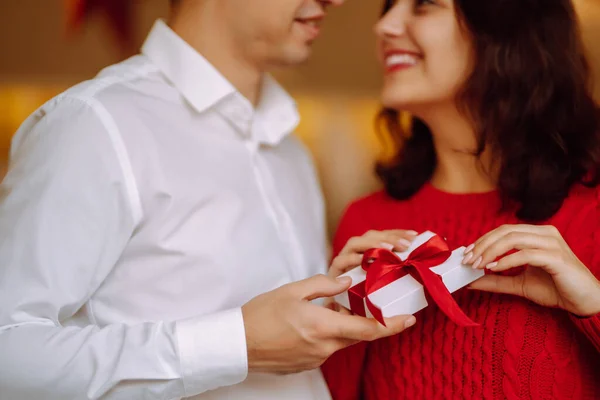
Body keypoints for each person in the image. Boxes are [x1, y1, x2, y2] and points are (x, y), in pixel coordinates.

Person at [0, 1, 417, 399]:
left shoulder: (289, 149)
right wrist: (236, 345)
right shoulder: (94, 125)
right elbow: (9, 354)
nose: (336, 0)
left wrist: (341, 295)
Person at [322, 0, 600, 398]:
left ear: (505, 26)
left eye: (423, 6)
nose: (384, 26)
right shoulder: (366, 226)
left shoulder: (592, 209)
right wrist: (334, 324)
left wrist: (594, 304)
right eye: (388, 7)